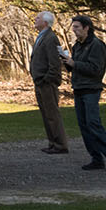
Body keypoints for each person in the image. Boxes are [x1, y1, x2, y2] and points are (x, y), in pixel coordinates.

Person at [62, 15, 106, 172]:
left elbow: (96, 69)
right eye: (73, 27)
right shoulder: (77, 46)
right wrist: (66, 62)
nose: (74, 30)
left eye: (77, 27)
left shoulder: (97, 45)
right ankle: (96, 159)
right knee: (84, 126)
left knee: (93, 124)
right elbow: (75, 67)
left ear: (86, 28)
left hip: (91, 89)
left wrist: (75, 63)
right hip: (79, 88)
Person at [29, 10, 69, 154]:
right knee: (46, 114)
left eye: (38, 18)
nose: (35, 19)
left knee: (52, 114)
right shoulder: (41, 37)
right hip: (40, 81)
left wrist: (47, 79)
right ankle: (52, 142)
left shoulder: (50, 38)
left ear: (45, 22)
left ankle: (60, 144)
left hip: (46, 82)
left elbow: (54, 62)